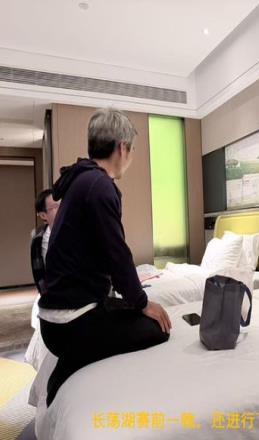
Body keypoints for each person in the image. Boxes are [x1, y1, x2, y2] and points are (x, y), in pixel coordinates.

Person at [39, 108, 171, 406]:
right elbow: (117, 255)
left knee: (131, 313)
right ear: (122, 147)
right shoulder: (99, 186)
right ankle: (73, 361)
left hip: (58, 317)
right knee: (157, 329)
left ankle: (76, 353)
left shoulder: (80, 181)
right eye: (132, 150)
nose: (131, 157)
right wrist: (142, 302)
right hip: (69, 325)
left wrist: (133, 301)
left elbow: (107, 254)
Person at [31, 189, 60, 294]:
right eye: (55, 206)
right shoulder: (38, 238)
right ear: (43, 215)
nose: (61, 209)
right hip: (53, 294)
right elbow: (38, 272)